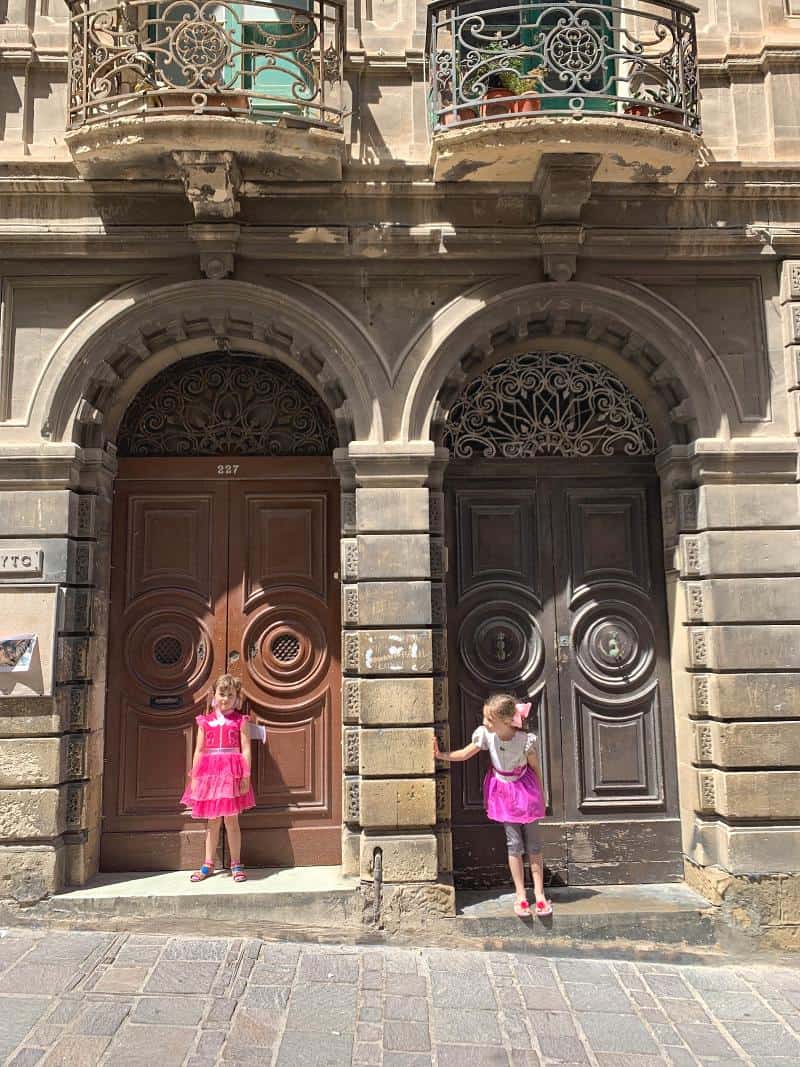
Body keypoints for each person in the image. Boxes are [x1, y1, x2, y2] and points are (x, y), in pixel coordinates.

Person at [434, 692, 552, 918]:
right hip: (503, 791)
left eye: (490, 720)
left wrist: (542, 795)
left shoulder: (524, 740)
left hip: (525, 792)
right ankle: (520, 894)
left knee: (534, 844)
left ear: (507, 721)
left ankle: (539, 894)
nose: (484, 723)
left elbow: (536, 769)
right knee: (513, 843)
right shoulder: (486, 736)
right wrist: (442, 755)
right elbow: (466, 753)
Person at [181, 673, 255, 883]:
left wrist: (246, 775)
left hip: (231, 775)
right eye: (222, 694)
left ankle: (236, 863)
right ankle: (208, 864)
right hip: (210, 776)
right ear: (214, 695)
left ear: (236, 698)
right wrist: (195, 777)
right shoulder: (204, 722)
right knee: (212, 822)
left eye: (230, 695)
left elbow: (246, 749)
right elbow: (198, 750)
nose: (225, 699)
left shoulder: (241, 721)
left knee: (232, 820)